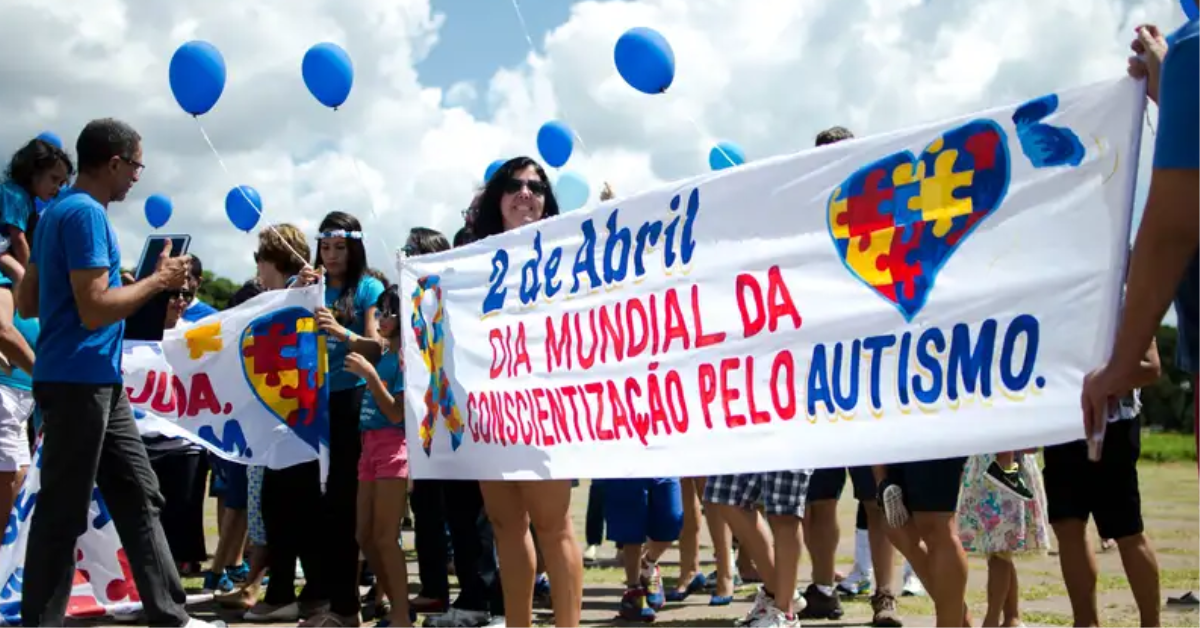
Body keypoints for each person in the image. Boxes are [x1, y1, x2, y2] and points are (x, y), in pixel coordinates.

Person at [15, 118, 221, 628]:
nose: (136, 177)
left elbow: (29, 298)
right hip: (81, 381)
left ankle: (170, 614)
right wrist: (154, 283)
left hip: (91, 380)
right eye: (135, 166)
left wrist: (122, 287)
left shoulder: (56, 212)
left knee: (139, 494)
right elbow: (95, 309)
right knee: (63, 511)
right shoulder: (86, 215)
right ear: (113, 163)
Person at [469, 157, 582, 628]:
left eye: (536, 187)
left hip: (545, 408)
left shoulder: (570, 250)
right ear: (497, 197)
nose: (525, 193)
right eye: (514, 185)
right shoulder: (470, 259)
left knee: (553, 526)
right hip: (489, 408)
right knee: (505, 525)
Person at [802, 125, 903, 628]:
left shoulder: (881, 222)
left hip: (866, 383)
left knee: (877, 496)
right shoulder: (803, 228)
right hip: (816, 386)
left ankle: (885, 594)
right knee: (816, 499)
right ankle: (822, 587)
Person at [222, 225, 311, 614]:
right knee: (269, 507)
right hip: (271, 421)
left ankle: (273, 591)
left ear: (272, 259)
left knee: (282, 508)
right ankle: (265, 587)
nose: (256, 267)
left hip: (290, 421)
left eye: (259, 258)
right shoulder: (274, 298)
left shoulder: (298, 295)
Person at [346, 285, 412, 628]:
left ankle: (401, 615)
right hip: (369, 448)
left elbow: (397, 413)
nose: (384, 318)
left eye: (392, 312)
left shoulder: (404, 358)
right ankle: (397, 601)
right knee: (365, 535)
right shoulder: (386, 353)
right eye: (382, 311)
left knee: (385, 536)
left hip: (393, 448)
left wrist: (370, 377)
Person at [0, 139, 70, 378]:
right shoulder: (15, 194)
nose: (57, 188)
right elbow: (17, 238)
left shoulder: (23, 198)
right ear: (34, 171)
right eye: (53, 179)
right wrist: (33, 274)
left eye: (61, 183)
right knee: (20, 275)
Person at [957, 451, 1050, 628]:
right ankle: (1011, 617)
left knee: (1000, 551)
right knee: (999, 551)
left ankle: (992, 619)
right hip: (989, 467)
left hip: (1003, 470)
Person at [606, 477, 683, 622]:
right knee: (631, 532)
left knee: (672, 521)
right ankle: (633, 591)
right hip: (627, 469)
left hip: (664, 464)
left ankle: (648, 565)